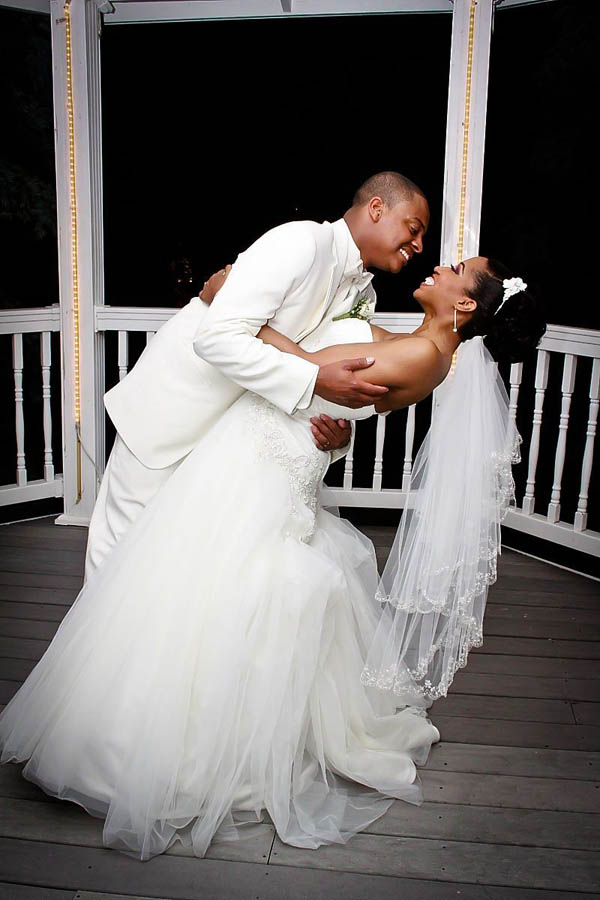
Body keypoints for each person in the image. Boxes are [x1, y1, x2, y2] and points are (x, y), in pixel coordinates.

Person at [0, 251, 545, 861]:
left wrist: (244, 318)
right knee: (204, 578)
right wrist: (336, 409)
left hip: (267, 460)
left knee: (216, 583)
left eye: (456, 270)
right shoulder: (417, 347)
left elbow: (312, 368)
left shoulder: (425, 354)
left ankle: (178, 752)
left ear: (465, 303)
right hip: (273, 446)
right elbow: (344, 391)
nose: (439, 268)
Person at [84, 171, 429, 578]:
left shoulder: (363, 295)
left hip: (229, 440)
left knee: (178, 565)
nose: (419, 245)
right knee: (118, 559)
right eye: (413, 228)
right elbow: (216, 337)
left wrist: (339, 436)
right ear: (376, 208)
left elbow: (321, 362)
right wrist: (315, 378)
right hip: (172, 414)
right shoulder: (301, 242)